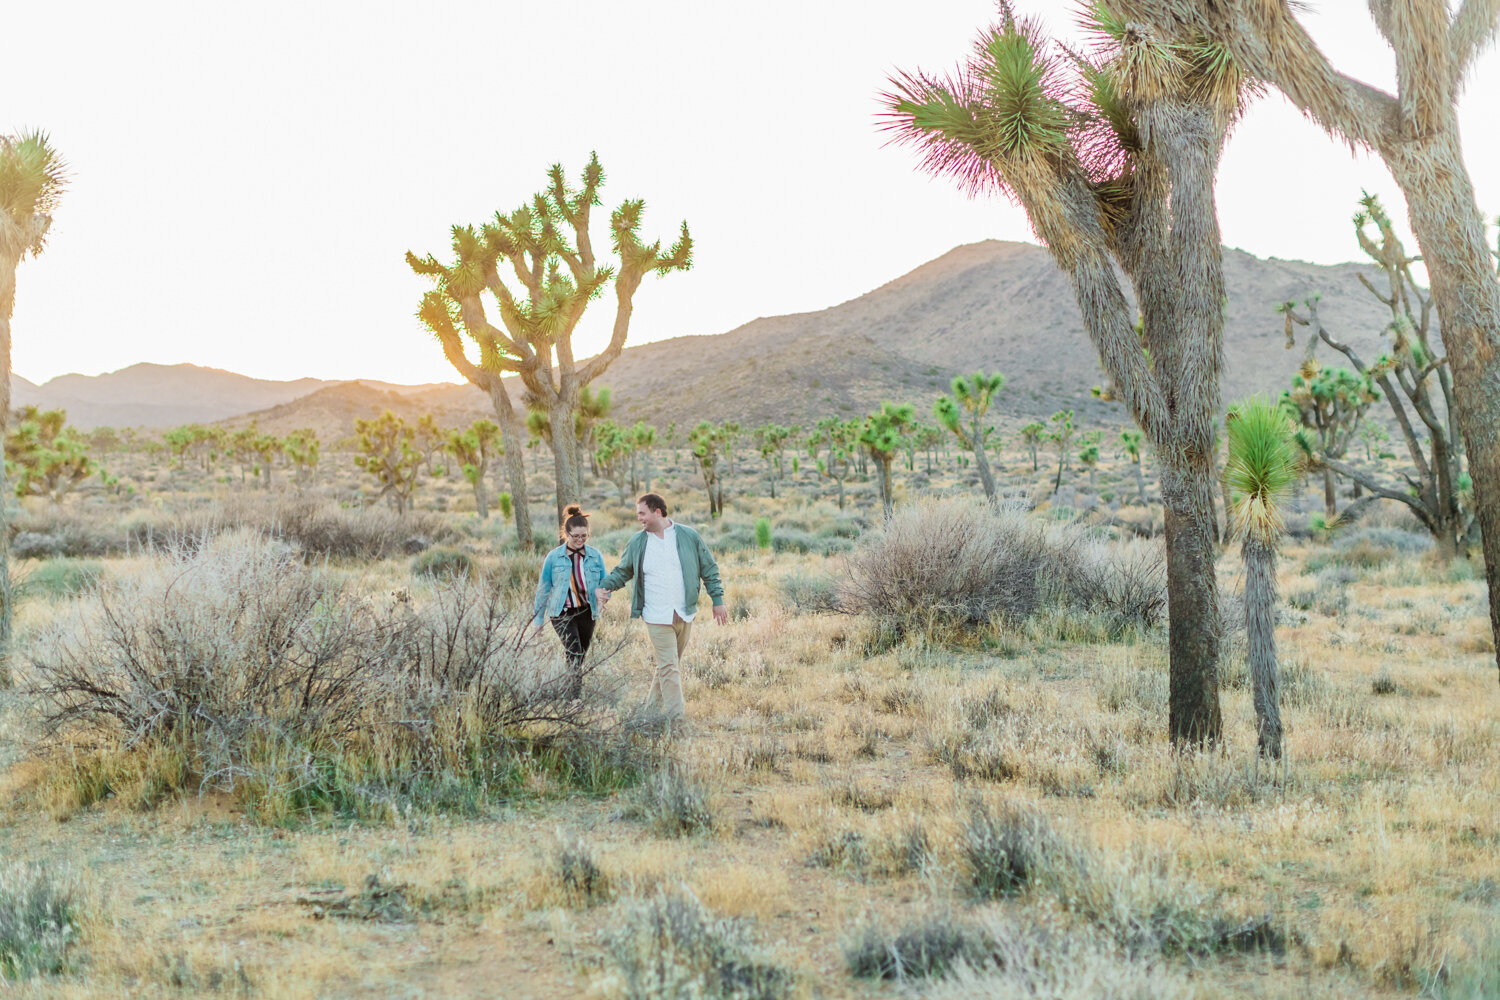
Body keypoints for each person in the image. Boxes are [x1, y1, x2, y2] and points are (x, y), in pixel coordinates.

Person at [597, 492, 726, 727]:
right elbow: (623, 570)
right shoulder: (638, 542)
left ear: (657, 512)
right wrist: (605, 587)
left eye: (642, 514)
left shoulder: (688, 536)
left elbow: (709, 568)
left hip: (684, 612)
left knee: (668, 666)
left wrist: (717, 600)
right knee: (669, 667)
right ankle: (678, 722)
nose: (639, 519)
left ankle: (649, 713)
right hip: (656, 615)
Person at [531, 504, 608, 701]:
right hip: (561, 612)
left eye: (584, 536)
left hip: (587, 611)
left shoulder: (595, 556)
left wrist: (603, 595)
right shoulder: (554, 557)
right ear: (566, 534)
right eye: (576, 536)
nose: (580, 540)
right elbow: (543, 588)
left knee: (580, 654)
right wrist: (538, 621)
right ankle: (573, 698)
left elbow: (605, 584)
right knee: (573, 650)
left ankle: (568, 688)